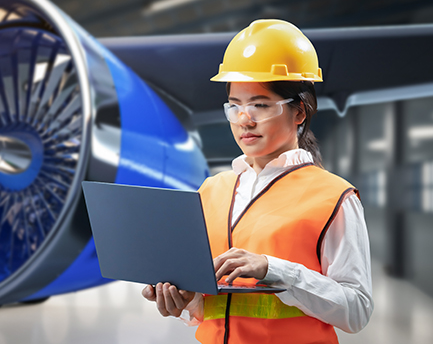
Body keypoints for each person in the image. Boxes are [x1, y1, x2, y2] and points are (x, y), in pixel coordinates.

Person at [141, 19, 373, 344]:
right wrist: (182, 301)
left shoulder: (334, 197)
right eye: (234, 106)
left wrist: (273, 269)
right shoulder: (211, 191)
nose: (244, 120)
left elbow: (357, 309)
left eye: (260, 105)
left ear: (300, 112)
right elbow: (210, 305)